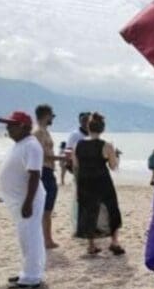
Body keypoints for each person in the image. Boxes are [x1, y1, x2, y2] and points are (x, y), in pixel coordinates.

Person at [0, 111, 46, 289]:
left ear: (23, 126)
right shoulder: (21, 144)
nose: (8, 128)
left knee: (30, 237)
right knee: (25, 237)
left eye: (11, 125)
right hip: (19, 200)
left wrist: (28, 202)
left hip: (27, 200)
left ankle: (32, 277)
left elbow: (34, 175)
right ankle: (28, 271)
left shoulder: (31, 145)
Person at [73, 113, 125, 256]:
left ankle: (91, 246)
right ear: (102, 129)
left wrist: (78, 183)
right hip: (102, 181)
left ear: (88, 128)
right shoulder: (107, 145)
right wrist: (116, 156)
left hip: (84, 181)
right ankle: (114, 242)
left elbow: (76, 165)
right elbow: (113, 166)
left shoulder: (78, 144)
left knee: (88, 211)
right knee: (112, 209)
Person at [33, 104, 65, 249]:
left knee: (47, 208)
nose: (53, 118)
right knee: (45, 208)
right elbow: (41, 154)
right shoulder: (39, 132)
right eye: (52, 115)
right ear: (46, 115)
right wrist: (61, 158)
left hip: (47, 170)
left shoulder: (44, 131)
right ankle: (47, 240)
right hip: (44, 171)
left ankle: (46, 238)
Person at [66, 112, 90, 232]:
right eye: (83, 120)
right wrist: (72, 168)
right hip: (79, 171)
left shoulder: (93, 134)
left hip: (93, 172)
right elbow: (68, 152)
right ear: (80, 121)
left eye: (88, 120)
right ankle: (78, 226)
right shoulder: (75, 135)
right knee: (78, 199)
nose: (86, 123)